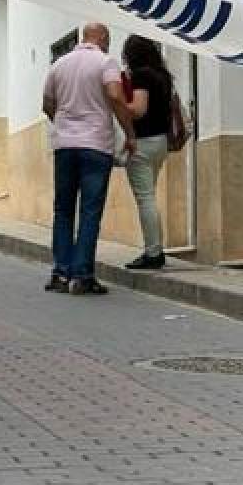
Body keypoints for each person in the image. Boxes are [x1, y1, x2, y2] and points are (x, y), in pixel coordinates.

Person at [42, 22, 138, 295]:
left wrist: (63, 125)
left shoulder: (59, 65)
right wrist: (129, 133)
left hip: (64, 145)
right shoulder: (105, 62)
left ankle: (60, 273)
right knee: (89, 211)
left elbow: (47, 104)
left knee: (63, 209)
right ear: (104, 39)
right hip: (95, 145)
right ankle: (82, 275)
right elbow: (114, 96)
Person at [120, 35, 174, 270]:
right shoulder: (162, 76)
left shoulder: (141, 75)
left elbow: (138, 110)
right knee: (149, 196)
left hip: (143, 142)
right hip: (161, 142)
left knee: (145, 199)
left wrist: (117, 103)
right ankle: (155, 249)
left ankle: (153, 253)